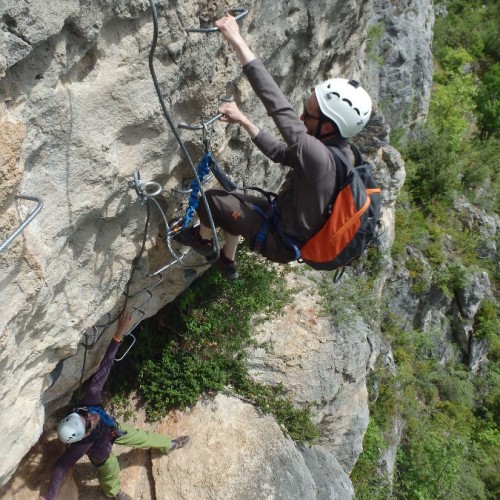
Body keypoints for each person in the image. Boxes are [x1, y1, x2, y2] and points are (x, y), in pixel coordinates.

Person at [176, 13, 372, 280]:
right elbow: (280, 153)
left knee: (211, 201)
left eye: (308, 114)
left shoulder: (319, 157)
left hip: (279, 240)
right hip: (281, 221)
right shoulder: (340, 153)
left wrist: (236, 40)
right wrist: (244, 121)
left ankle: (203, 241)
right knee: (232, 201)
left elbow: (278, 106)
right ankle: (228, 260)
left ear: (327, 126)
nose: (302, 118)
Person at [39, 311, 189, 500]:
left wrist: (118, 335)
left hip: (112, 428)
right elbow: (61, 468)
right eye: (88, 422)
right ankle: (114, 493)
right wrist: (49, 497)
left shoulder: (89, 402)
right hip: (101, 452)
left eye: (85, 415)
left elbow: (104, 368)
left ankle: (169, 444)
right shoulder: (81, 446)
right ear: (85, 434)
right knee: (110, 471)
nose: (92, 416)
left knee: (142, 436)